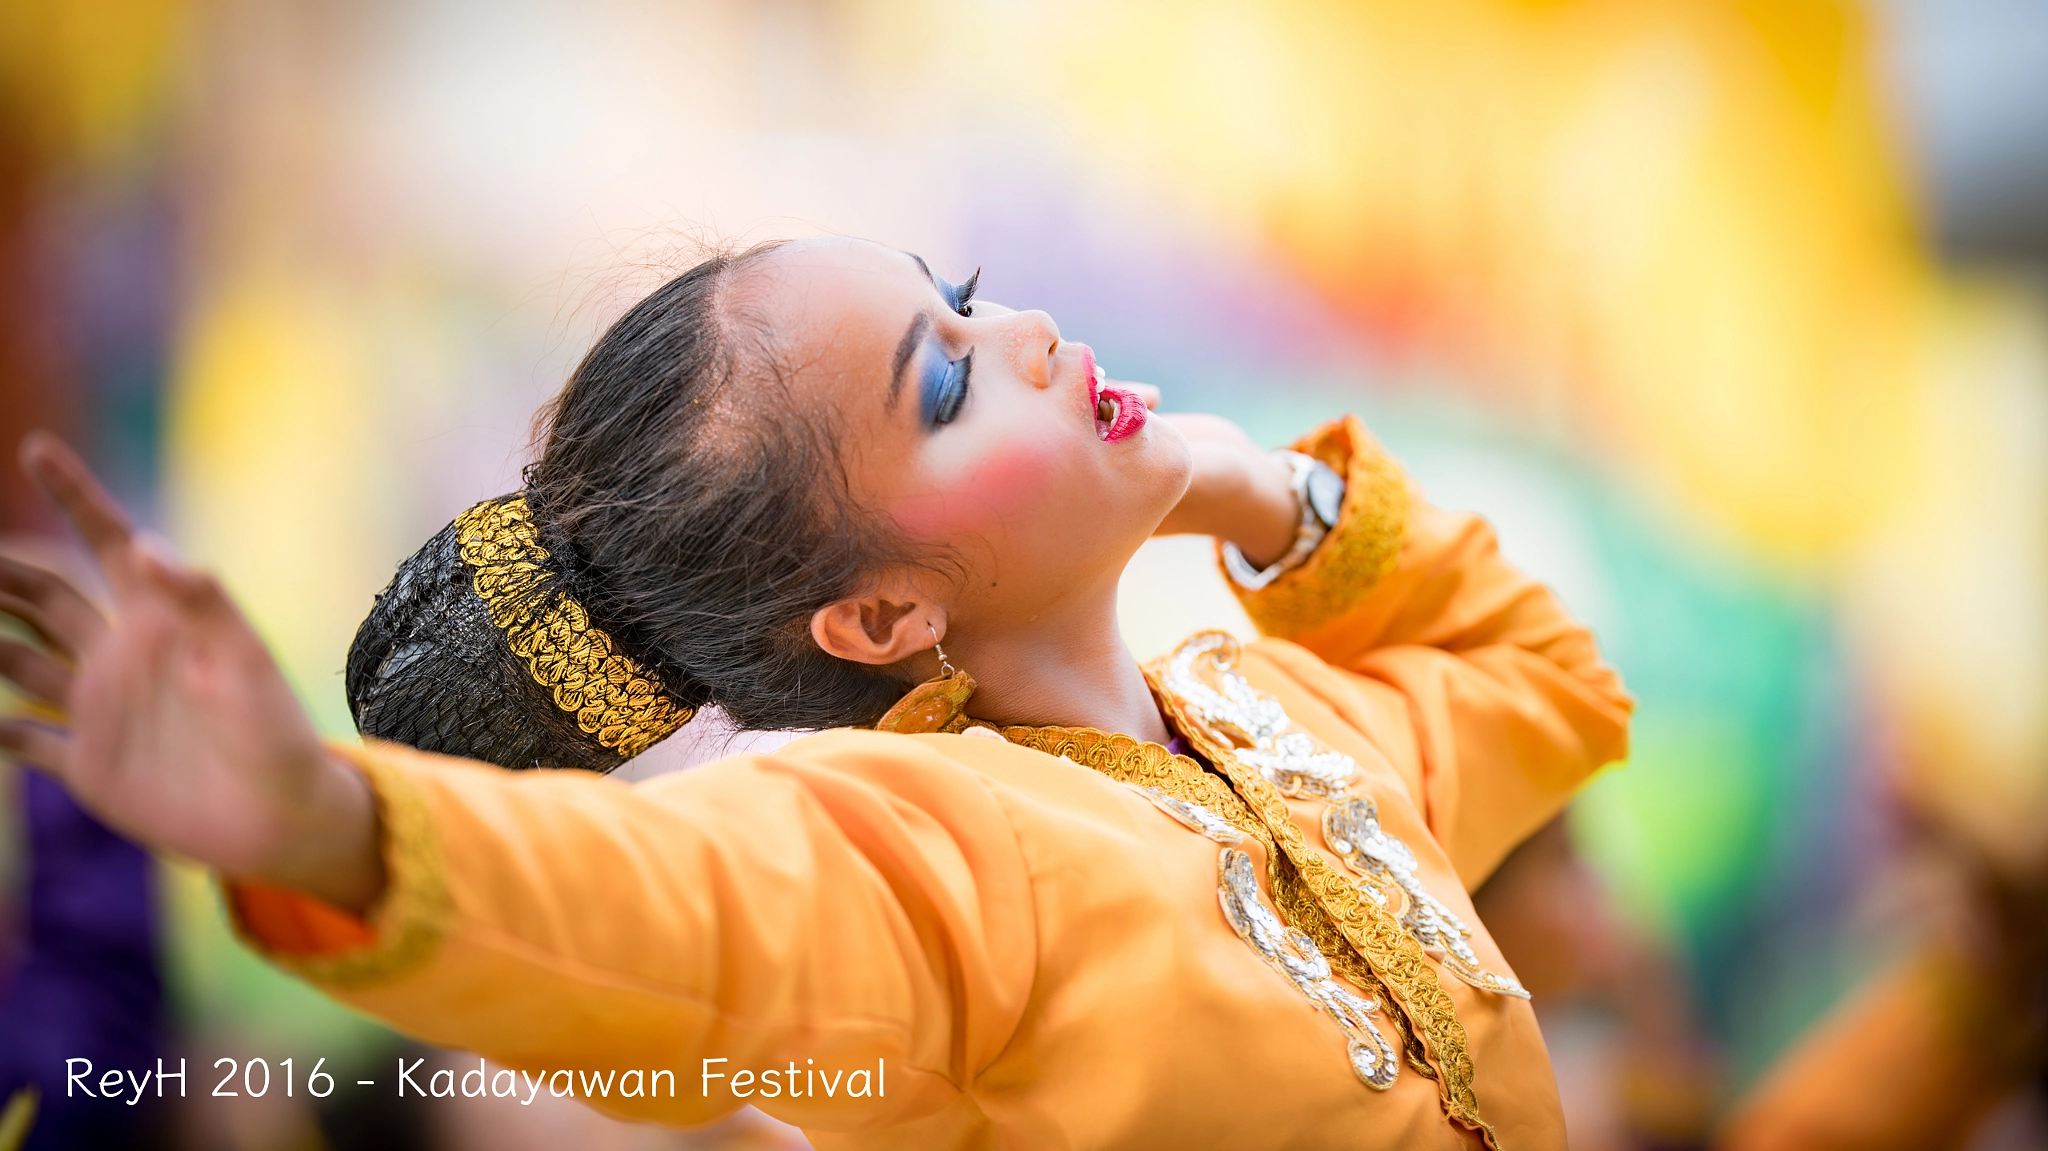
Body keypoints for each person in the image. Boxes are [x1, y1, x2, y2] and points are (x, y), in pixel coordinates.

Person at [0, 237, 1632, 1150]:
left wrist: (1243, 485)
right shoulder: (929, 846)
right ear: (874, 613)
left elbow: (1549, 681)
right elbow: (680, 910)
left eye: (972, 302)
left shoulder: (1280, 719)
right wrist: (325, 822)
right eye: (947, 380)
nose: (1036, 338)